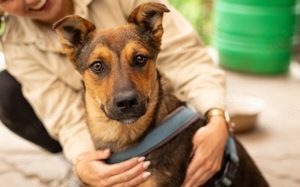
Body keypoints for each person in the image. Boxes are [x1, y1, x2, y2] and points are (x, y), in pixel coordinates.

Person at [0, 0, 228, 186]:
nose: (30, 0)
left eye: (138, 59)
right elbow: (62, 113)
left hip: (163, 109)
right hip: (94, 119)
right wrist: (83, 162)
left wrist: (217, 118)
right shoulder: (15, 41)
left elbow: (186, 59)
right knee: (4, 90)